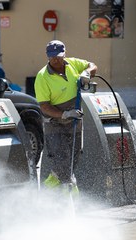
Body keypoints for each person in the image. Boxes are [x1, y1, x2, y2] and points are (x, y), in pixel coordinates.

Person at [34, 40, 97, 193]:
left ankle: (53, 188)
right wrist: (64, 114)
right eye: (52, 57)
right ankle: (65, 196)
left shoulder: (73, 64)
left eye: (59, 56)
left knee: (72, 160)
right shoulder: (42, 77)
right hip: (55, 123)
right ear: (47, 56)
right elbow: (44, 106)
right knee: (62, 160)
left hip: (74, 122)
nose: (56, 60)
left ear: (64, 54)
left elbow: (93, 65)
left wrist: (87, 73)